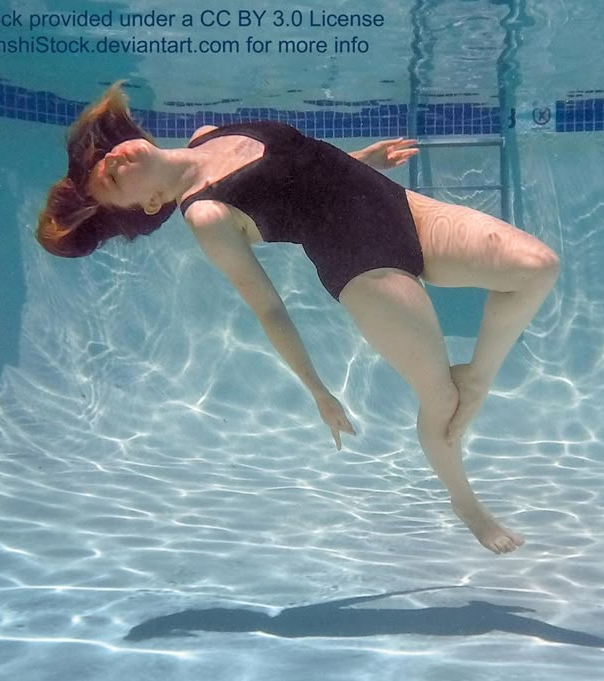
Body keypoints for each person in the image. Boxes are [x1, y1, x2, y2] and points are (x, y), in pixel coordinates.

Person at [37, 82, 560, 555]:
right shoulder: (206, 214)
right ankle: (466, 503)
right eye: (112, 177)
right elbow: (267, 306)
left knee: (536, 267)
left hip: (399, 207)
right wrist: (317, 389)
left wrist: (363, 160)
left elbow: (300, 176)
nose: (116, 159)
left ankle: (480, 375)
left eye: (107, 158)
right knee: (442, 402)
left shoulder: (208, 134)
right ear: (150, 204)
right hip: (365, 267)